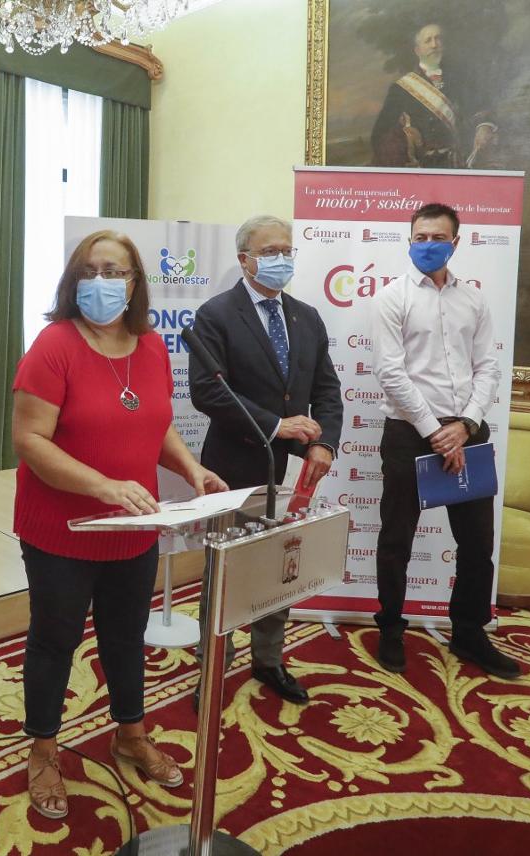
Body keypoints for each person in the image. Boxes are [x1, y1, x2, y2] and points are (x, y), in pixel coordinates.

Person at [12, 229, 227, 819]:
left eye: (118, 271)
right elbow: (29, 439)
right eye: (93, 269)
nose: (105, 281)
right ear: (75, 278)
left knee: (126, 636)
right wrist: (103, 487)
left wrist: (190, 467)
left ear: (135, 283)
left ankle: (129, 734)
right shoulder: (53, 345)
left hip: (135, 527)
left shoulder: (150, 346)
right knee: (55, 640)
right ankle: (44, 748)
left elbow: (154, 424)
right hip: (63, 529)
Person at [188, 215, 343, 707]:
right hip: (233, 470)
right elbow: (208, 390)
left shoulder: (307, 316)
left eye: (286, 250)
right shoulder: (216, 314)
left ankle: (269, 660)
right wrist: (277, 426)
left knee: (280, 568)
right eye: (270, 251)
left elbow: (327, 390)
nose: (282, 259)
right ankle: (212, 666)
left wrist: (324, 443)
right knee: (227, 571)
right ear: (245, 259)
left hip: (295, 472)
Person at [370, 201, 519, 680]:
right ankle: (391, 629)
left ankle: (470, 634)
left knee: (476, 543)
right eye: (420, 238)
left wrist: (467, 425)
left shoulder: (472, 299)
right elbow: (391, 373)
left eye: (438, 238)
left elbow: (488, 367)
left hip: (466, 431)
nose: (427, 245)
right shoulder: (392, 298)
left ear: (456, 242)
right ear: (408, 241)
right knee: (397, 540)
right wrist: (435, 431)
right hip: (410, 434)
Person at [370, 23, 498, 169]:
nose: (434, 45)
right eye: (428, 40)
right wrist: (406, 138)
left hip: (462, 162)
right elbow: (380, 135)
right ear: (417, 50)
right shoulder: (400, 89)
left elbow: (483, 108)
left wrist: (484, 127)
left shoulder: (463, 78)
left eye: (438, 39)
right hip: (425, 167)